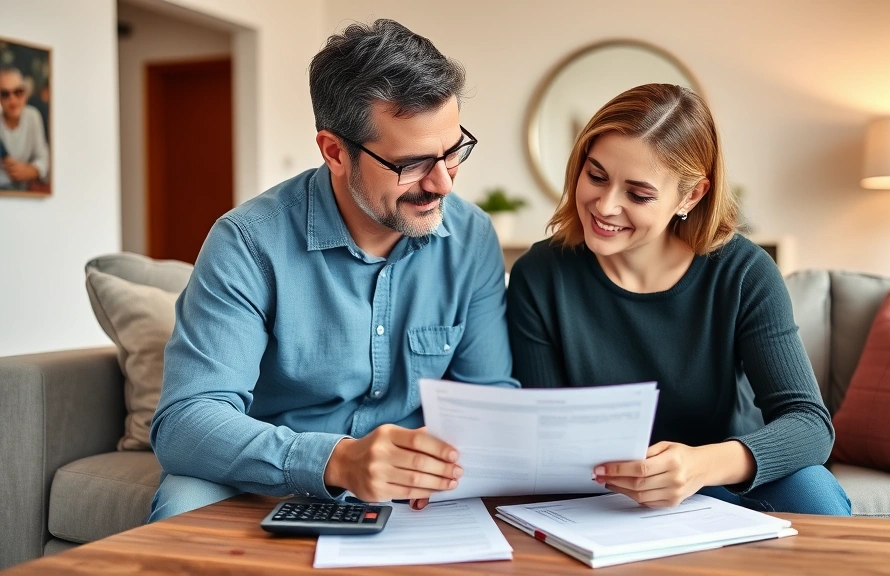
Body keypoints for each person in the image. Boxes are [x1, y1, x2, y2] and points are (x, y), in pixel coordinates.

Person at [149, 19, 517, 521]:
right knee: (181, 509)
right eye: (411, 164)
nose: (443, 185)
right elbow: (186, 422)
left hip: (409, 480)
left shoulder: (470, 236)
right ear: (335, 151)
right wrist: (339, 460)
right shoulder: (248, 241)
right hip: (269, 471)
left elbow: (486, 397)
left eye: (452, 152)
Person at [507, 84, 850, 515]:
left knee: (813, 492)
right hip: (596, 493)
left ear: (691, 195)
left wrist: (699, 465)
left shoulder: (743, 272)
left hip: (723, 480)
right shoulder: (539, 276)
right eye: (596, 176)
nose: (605, 205)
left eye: (638, 194)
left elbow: (810, 425)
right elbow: (546, 433)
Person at [0, 66, 49, 191]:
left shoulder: (33, 116)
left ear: (26, 93)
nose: (12, 99)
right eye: (5, 94)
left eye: (18, 92)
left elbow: (44, 158)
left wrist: (30, 170)